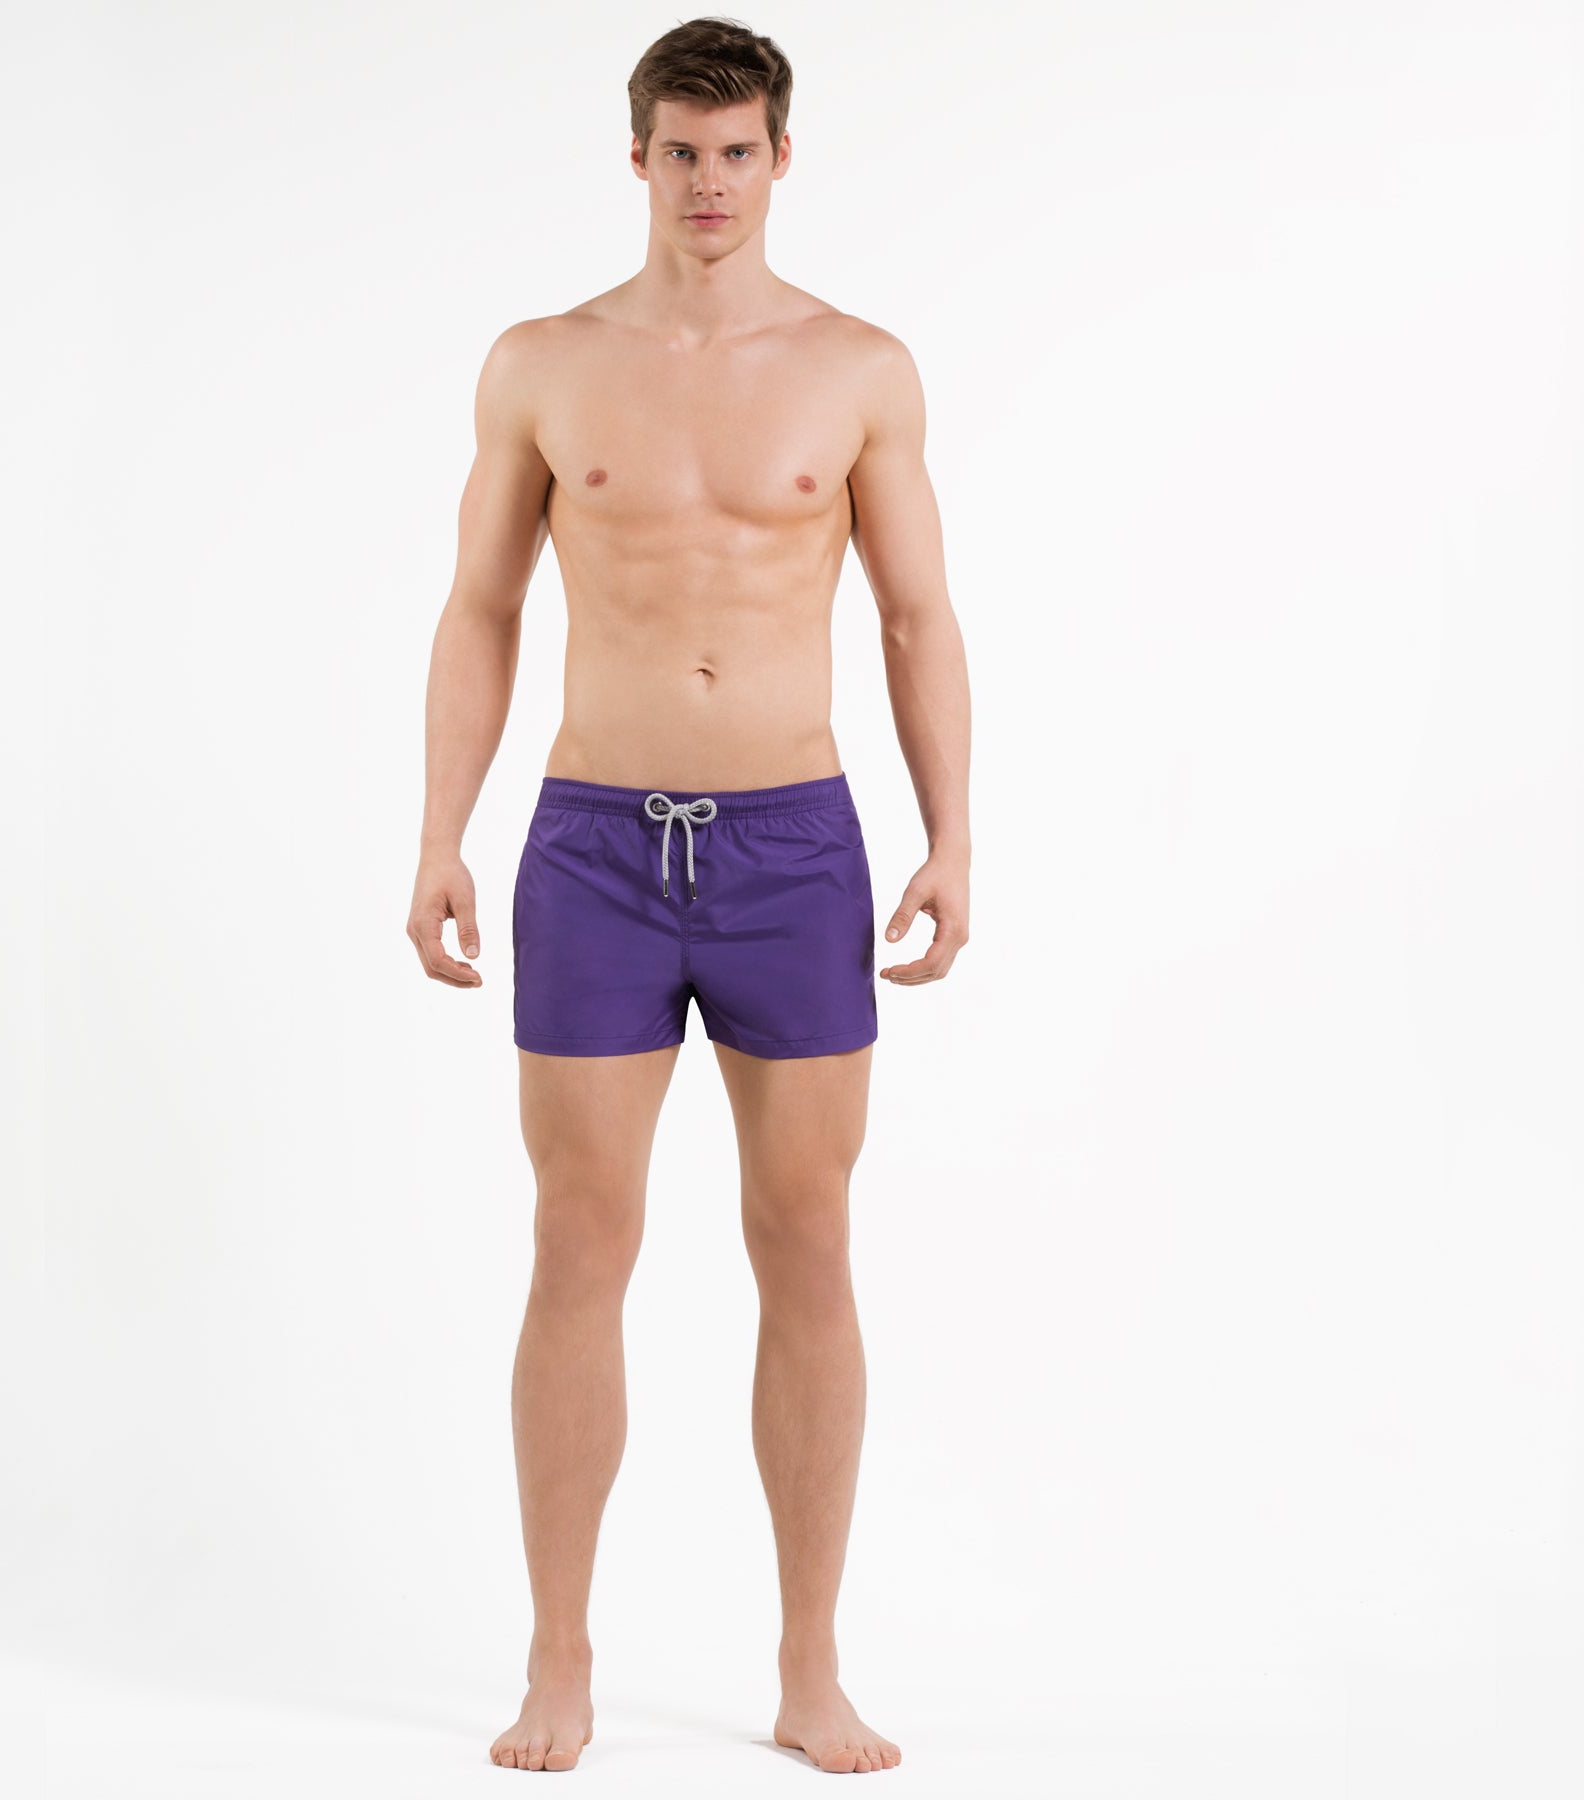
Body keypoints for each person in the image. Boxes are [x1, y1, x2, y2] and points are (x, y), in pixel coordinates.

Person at [409, 16, 969, 1776]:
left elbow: (916, 617)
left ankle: (809, 1667)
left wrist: (953, 836)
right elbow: (482, 608)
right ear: (637, 156)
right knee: (580, 1238)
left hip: (794, 848)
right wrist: (440, 833)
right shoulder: (544, 364)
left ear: (780, 159)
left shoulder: (859, 367)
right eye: (680, 151)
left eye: (737, 153)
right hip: (592, 847)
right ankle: (558, 1659)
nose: (708, 182)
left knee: (806, 1237)